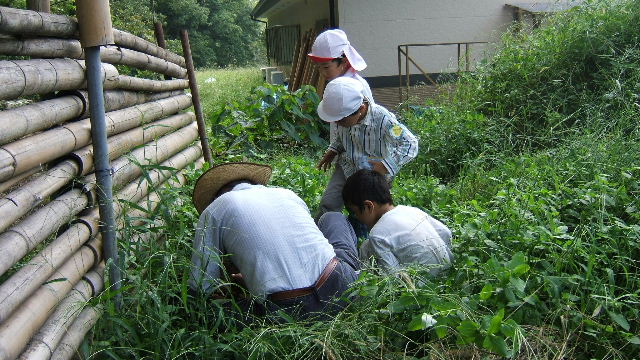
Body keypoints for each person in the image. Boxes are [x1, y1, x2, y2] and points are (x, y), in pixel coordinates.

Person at [189, 162, 360, 318]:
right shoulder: (287, 194)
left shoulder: (215, 209)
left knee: (213, 312)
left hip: (288, 312)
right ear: (256, 185)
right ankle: (359, 275)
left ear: (216, 197)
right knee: (333, 217)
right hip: (342, 287)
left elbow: (201, 286)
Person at [315, 77, 419, 223]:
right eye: (335, 120)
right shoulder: (343, 119)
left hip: (371, 177)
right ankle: (322, 231)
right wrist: (333, 150)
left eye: (341, 120)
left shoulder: (383, 119)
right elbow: (340, 135)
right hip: (347, 168)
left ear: (361, 110)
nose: (338, 124)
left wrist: (386, 165)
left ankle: (364, 237)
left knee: (365, 213)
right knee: (329, 203)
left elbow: (410, 143)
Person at [342, 169, 454, 275]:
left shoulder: (377, 234)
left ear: (368, 206)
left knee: (365, 249)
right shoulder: (412, 210)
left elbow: (393, 277)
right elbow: (445, 232)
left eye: (355, 212)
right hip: (448, 273)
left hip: (423, 287)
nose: (357, 218)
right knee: (366, 246)